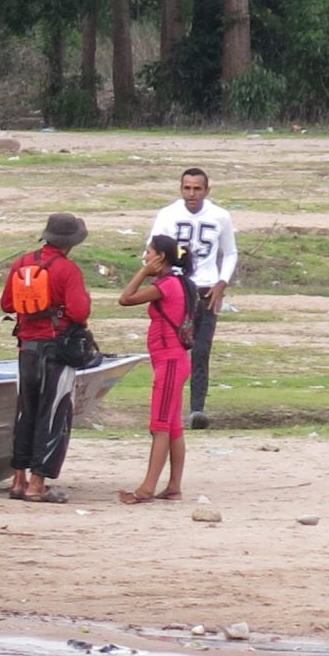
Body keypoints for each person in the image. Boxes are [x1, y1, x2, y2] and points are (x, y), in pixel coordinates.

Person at [0, 212, 93, 504]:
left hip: (26, 347)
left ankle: (18, 480)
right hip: (56, 349)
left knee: (24, 413)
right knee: (51, 414)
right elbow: (79, 313)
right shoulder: (68, 270)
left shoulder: (21, 263)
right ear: (71, 242)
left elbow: (6, 303)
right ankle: (37, 484)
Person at [148, 167, 236, 430]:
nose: (191, 194)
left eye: (197, 188)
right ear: (181, 189)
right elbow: (151, 250)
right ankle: (169, 406)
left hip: (206, 289)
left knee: (201, 350)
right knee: (173, 350)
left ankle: (197, 409)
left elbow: (230, 252)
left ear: (207, 191)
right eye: (187, 188)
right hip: (176, 288)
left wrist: (222, 282)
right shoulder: (168, 214)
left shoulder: (220, 216)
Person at [118, 234, 196, 503]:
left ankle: (147, 489)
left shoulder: (167, 285)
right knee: (173, 426)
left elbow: (126, 299)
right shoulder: (178, 282)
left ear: (160, 257)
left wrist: (142, 272)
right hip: (174, 361)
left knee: (160, 425)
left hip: (170, 362)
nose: (146, 256)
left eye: (149, 253)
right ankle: (173, 487)